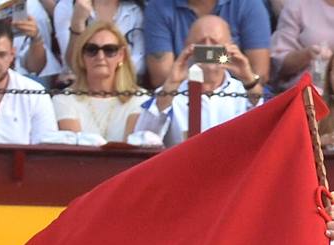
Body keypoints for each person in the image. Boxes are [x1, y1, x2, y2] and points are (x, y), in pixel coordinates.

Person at [134, 14, 263, 146]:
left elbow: (265, 126)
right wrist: (172, 83)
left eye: (214, 43)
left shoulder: (244, 89)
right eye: (201, 43)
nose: (208, 49)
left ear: (230, 47)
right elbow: (142, 139)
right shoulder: (169, 93)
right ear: (188, 48)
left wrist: (248, 78)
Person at [142, 0, 270, 89]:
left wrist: (245, 78)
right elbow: (161, 79)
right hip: (182, 95)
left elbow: (260, 73)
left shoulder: (248, 3)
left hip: (240, 93)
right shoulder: (159, 7)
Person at [53, 20, 146, 142]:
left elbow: (130, 149)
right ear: (82, 56)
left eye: (109, 50)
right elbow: (77, 150)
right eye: (92, 49)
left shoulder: (140, 99)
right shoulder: (64, 99)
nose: (100, 56)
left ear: (121, 55)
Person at [55, 0, 145, 84]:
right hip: (81, 88)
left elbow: (139, 65)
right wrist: (78, 23)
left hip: (126, 87)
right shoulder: (67, 6)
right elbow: (73, 65)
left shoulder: (137, 9)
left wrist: (102, 75)